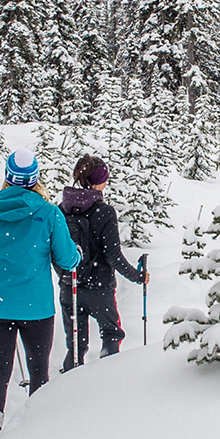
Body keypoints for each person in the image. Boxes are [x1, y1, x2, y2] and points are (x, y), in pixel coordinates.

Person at [0, 149, 80, 439]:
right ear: (35, 179)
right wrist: (75, 254)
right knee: (38, 368)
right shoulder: (49, 213)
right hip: (36, 307)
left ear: (7, 177)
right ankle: (34, 432)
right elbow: (66, 260)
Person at [58, 155, 148, 371]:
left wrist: (63, 276)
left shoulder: (61, 209)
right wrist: (138, 277)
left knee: (76, 344)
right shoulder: (104, 212)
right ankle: (106, 384)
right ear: (98, 181)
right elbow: (113, 256)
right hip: (100, 288)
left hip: (70, 286)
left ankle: (68, 387)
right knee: (111, 333)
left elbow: (55, 251)